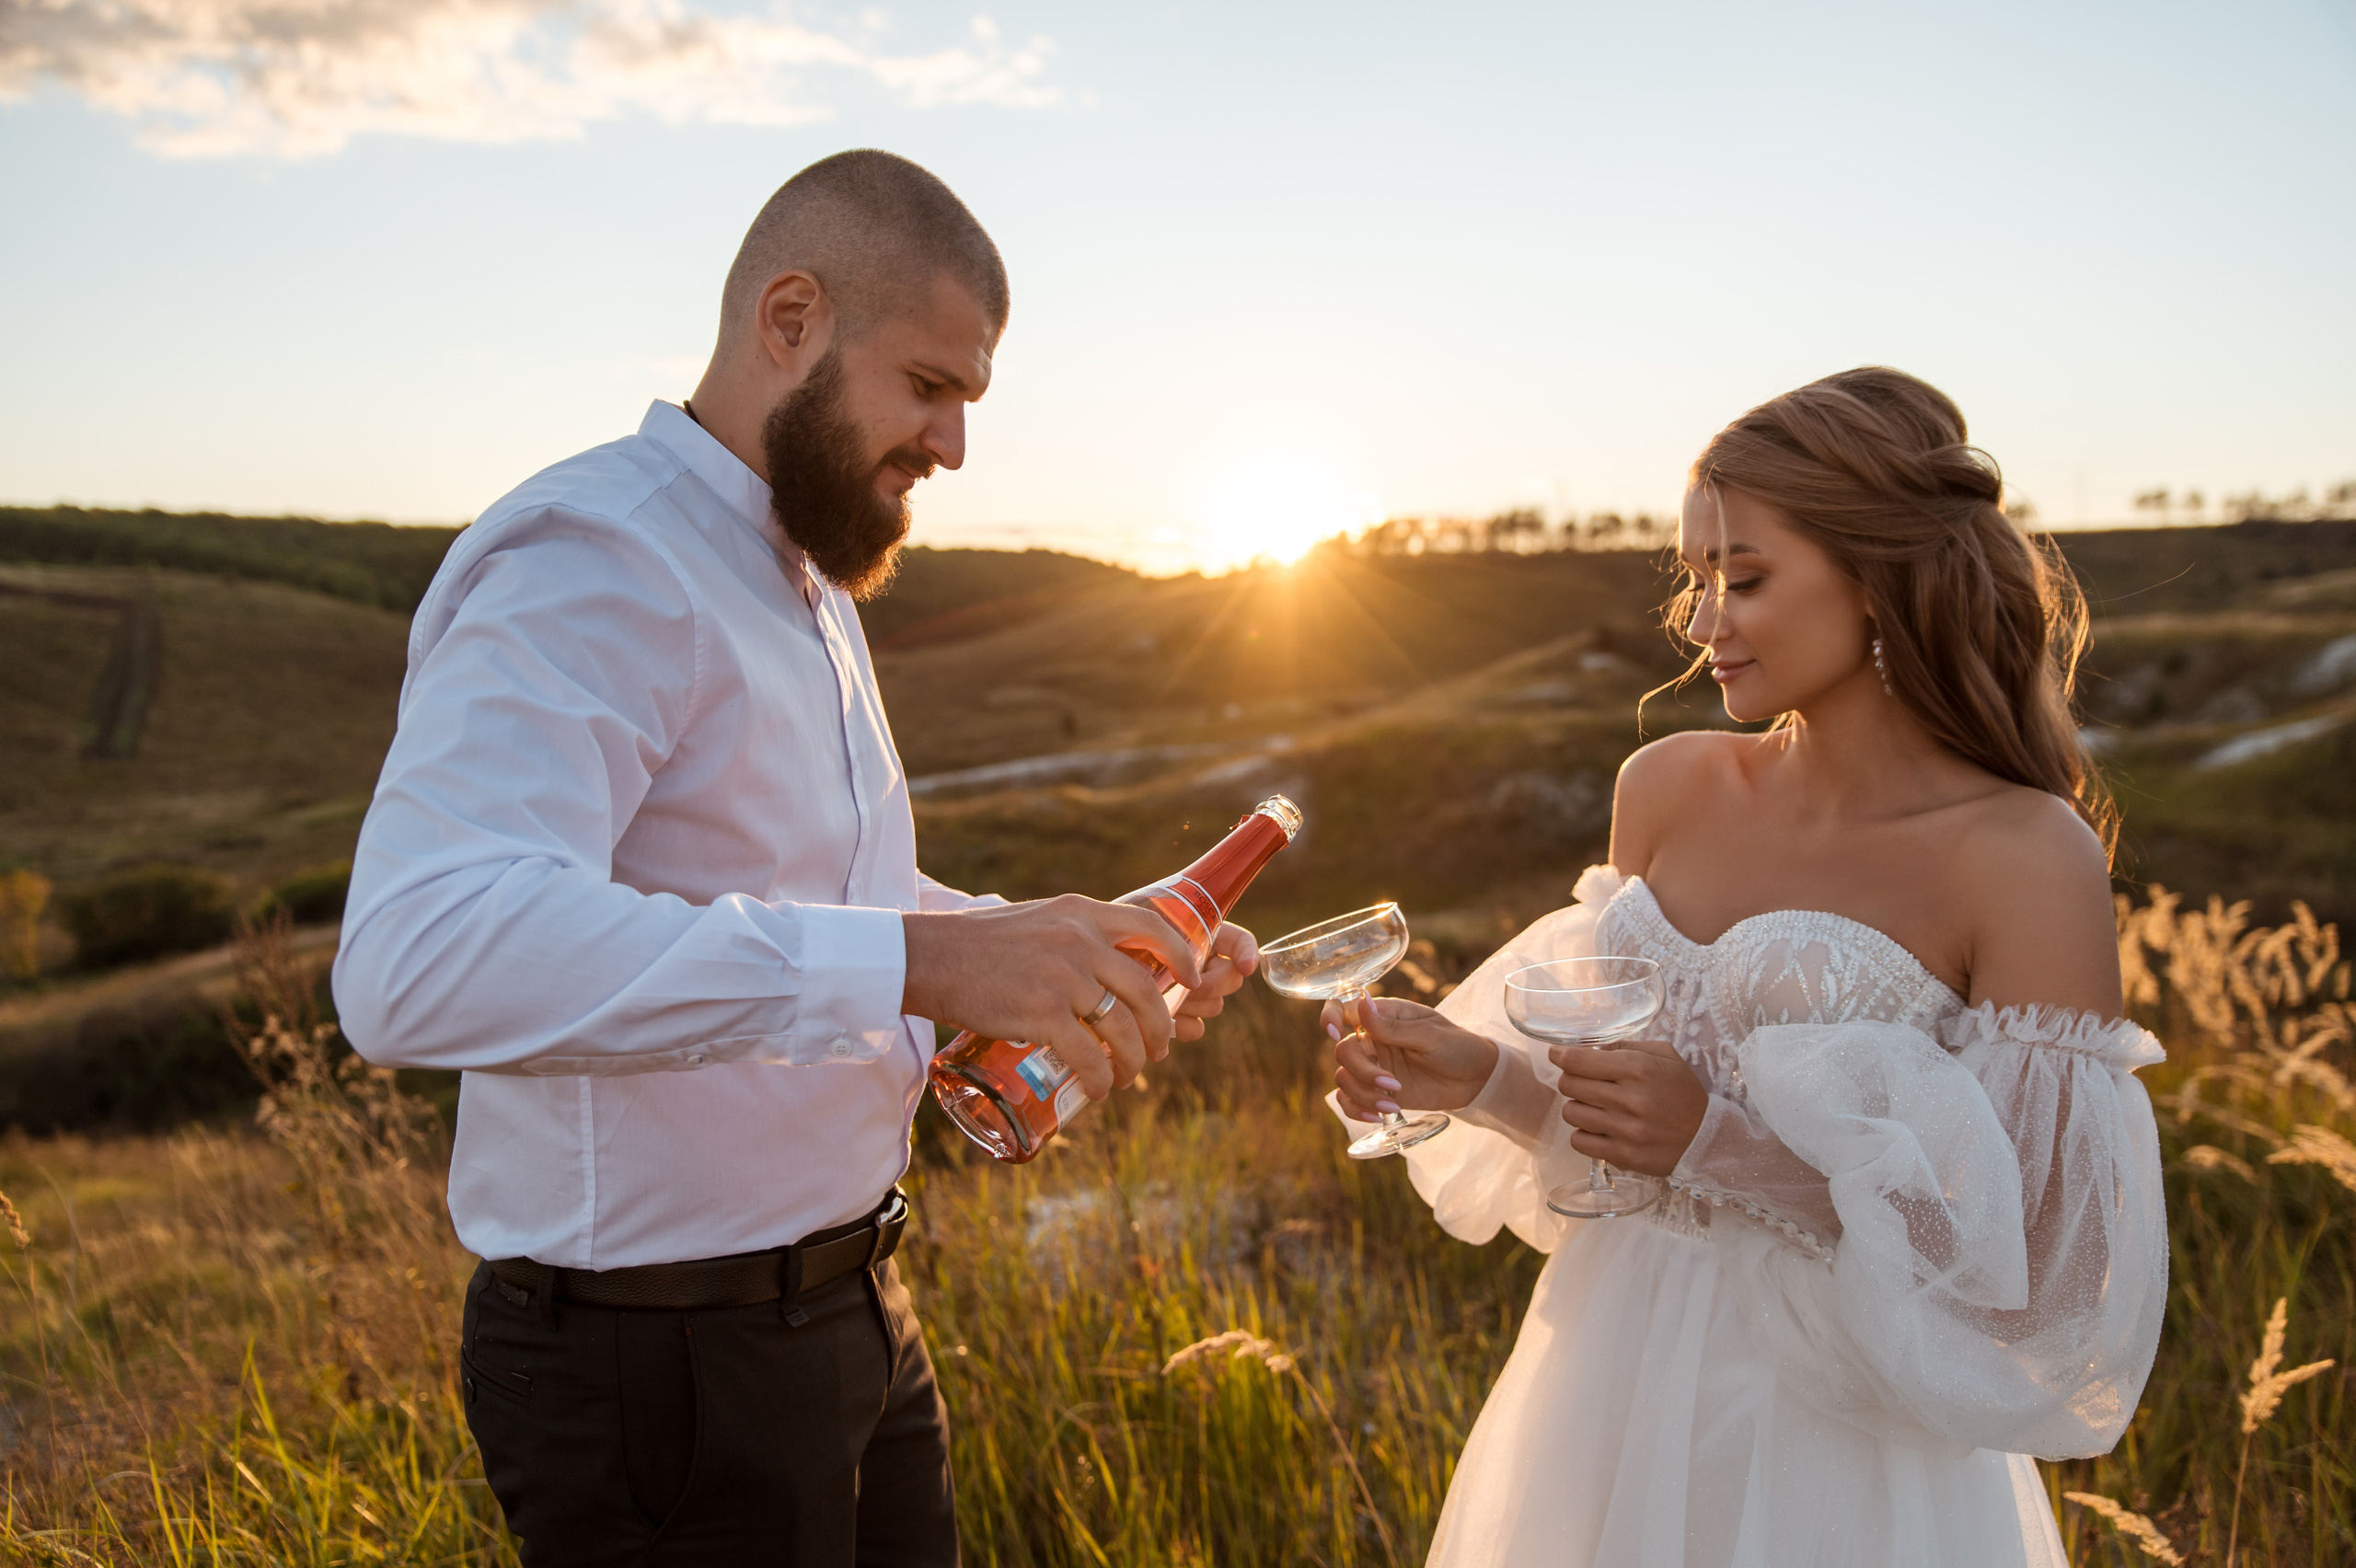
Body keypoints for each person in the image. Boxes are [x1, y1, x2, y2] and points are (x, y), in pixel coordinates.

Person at [331, 149, 1259, 1567]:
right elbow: (420, 958)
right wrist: (930, 958)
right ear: (790, 321)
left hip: (859, 1316)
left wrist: (1057, 945)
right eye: (931, 388)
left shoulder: (807, 581)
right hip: (662, 1369)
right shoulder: (599, 556)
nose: (954, 446)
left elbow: (837, 905)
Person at [1323, 367, 2167, 1568]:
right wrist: (1479, 1082)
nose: (1702, 618)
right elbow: (1624, 1168)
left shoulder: (2026, 857)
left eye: (1747, 578)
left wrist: (1721, 1142)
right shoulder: (1664, 789)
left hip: (1839, 1447)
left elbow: (2044, 1292)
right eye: (1697, 577)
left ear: (1881, 576)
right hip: (1599, 1384)